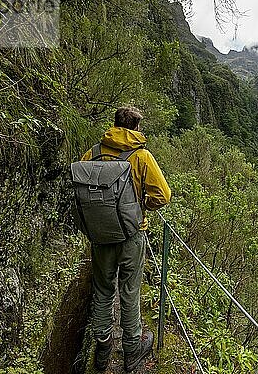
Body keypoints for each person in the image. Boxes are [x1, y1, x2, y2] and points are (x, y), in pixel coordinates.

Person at [80, 105, 171, 372]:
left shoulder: (92, 153)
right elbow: (162, 195)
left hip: (100, 235)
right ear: (136, 128)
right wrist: (142, 207)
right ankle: (132, 351)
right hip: (131, 235)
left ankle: (102, 347)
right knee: (130, 292)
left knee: (103, 290)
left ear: (116, 125)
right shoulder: (141, 156)